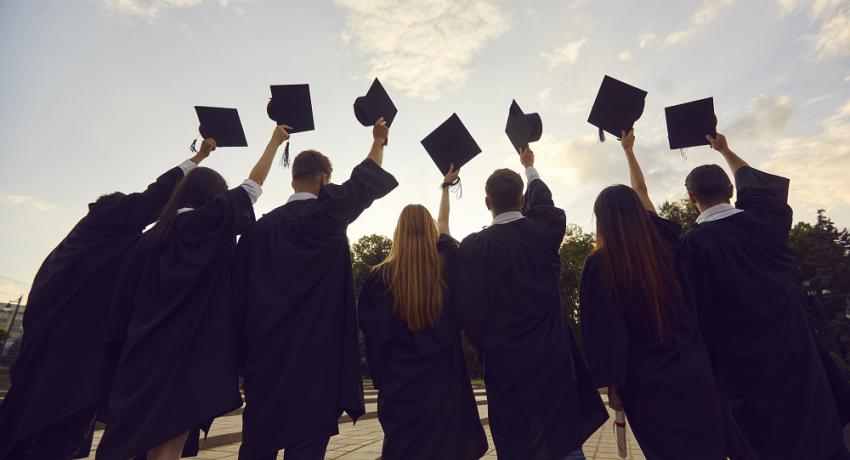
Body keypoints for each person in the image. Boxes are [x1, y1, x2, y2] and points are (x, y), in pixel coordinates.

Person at [0, 144, 208, 460]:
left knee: (39, 427)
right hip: (70, 359)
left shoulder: (89, 246)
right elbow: (154, 197)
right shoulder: (105, 221)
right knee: (50, 435)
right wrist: (196, 160)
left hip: (57, 356)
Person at [95, 127, 289, 460]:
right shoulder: (210, 223)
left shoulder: (149, 240)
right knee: (169, 443)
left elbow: (122, 302)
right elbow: (252, 187)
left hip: (141, 352)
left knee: (126, 438)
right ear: (214, 197)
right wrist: (274, 141)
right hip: (190, 353)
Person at [678, 133, 849, 460]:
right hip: (798, 356)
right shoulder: (766, 222)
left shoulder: (692, 247)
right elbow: (754, 184)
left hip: (744, 373)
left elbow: (696, 317)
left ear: (690, 198)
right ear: (730, 191)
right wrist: (724, 150)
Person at [235, 118, 398, 460]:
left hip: (265, 361)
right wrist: (378, 140)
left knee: (257, 446)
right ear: (325, 180)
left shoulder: (259, 230)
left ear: (293, 178)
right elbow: (364, 179)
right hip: (317, 363)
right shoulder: (328, 217)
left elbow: (238, 296)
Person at [579, 129, 725, 459]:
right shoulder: (669, 246)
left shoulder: (600, 265)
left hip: (647, 385)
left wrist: (612, 382)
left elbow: (605, 330)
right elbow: (643, 194)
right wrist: (629, 152)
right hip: (695, 370)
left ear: (601, 221)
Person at [453, 148, 608, 460]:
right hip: (553, 361)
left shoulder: (473, 248)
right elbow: (545, 204)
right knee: (563, 440)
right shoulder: (543, 232)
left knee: (516, 443)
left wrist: (489, 346)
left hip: (505, 363)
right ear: (522, 200)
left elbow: (468, 312)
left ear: (487, 204)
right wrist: (529, 167)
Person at [358, 165, 488, 460]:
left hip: (400, 388)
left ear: (397, 232)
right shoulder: (446, 267)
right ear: (430, 231)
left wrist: (384, 381)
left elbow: (376, 342)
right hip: (443, 385)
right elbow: (444, 224)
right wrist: (445, 188)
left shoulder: (380, 279)